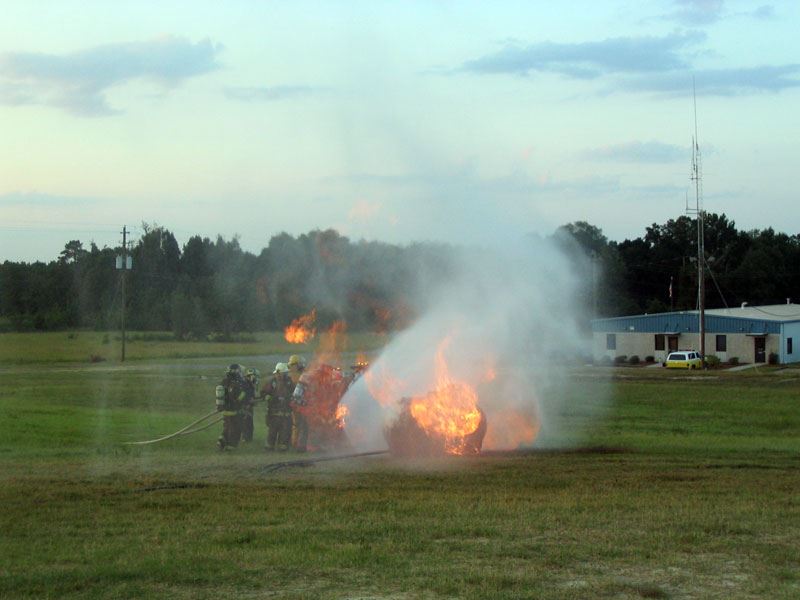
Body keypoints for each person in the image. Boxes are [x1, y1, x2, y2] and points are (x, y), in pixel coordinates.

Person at [261, 362, 294, 451]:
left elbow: (294, 394)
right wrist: (267, 397)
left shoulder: (289, 382)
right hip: (274, 413)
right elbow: (263, 393)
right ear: (278, 372)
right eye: (283, 373)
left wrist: (289, 400)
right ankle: (269, 447)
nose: (284, 375)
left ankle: (283, 447)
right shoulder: (272, 382)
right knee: (272, 432)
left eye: (285, 373)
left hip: (286, 413)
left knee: (285, 432)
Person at [215, 364, 247, 451]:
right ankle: (230, 447)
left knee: (227, 426)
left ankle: (221, 441)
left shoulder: (224, 381)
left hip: (225, 411)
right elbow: (241, 397)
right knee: (235, 428)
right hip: (235, 411)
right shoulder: (239, 383)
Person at [287, 355, 309, 452]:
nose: (291, 367)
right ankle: (296, 445)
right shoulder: (295, 376)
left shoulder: (296, 375)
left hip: (297, 404)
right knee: (298, 425)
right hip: (296, 404)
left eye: (293, 365)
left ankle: (295, 444)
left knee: (296, 426)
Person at [241, 367, 260, 443]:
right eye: (255, 376)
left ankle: (248, 439)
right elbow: (243, 396)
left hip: (249, 407)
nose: (256, 379)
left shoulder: (250, 384)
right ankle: (245, 439)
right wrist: (247, 402)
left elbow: (253, 395)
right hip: (245, 407)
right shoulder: (245, 384)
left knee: (249, 423)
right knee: (246, 423)